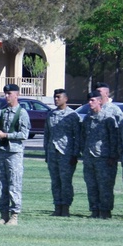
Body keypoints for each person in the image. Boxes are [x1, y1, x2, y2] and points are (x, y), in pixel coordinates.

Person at [79, 90, 120, 219]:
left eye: (92, 100)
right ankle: (94, 210)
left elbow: (114, 139)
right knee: (91, 185)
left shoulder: (107, 118)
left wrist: (113, 156)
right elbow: (83, 136)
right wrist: (83, 151)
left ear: (100, 101)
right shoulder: (87, 118)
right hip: (89, 157)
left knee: (105, 186)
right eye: (89, 100)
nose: (89, 103)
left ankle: (105, 211)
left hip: (104, 158)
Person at [0, 83, 31, 225]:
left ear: (17, 95)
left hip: (14, 153)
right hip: (1, 152)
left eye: (9, 94)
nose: (6, 96)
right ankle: (3, 214)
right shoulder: (2, 112)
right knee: (2, 184)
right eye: (5, 94)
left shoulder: (21, 113)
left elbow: (24, 134)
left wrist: (6, 135)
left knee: (14, 183)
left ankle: (14, 215)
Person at [43, 88, 80, 217]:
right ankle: (57, 206)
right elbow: (47, 134)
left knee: (65, 181)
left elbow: (77, 136)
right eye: (55, 97)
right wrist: (46, 152)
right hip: (52, 152)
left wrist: (75, 154)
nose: (56, 99)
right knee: (55, 181)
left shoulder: (72, 115)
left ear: (66, 99)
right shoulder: (51, 114)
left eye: (59, 97)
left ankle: (66, 207)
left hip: (66, 153)